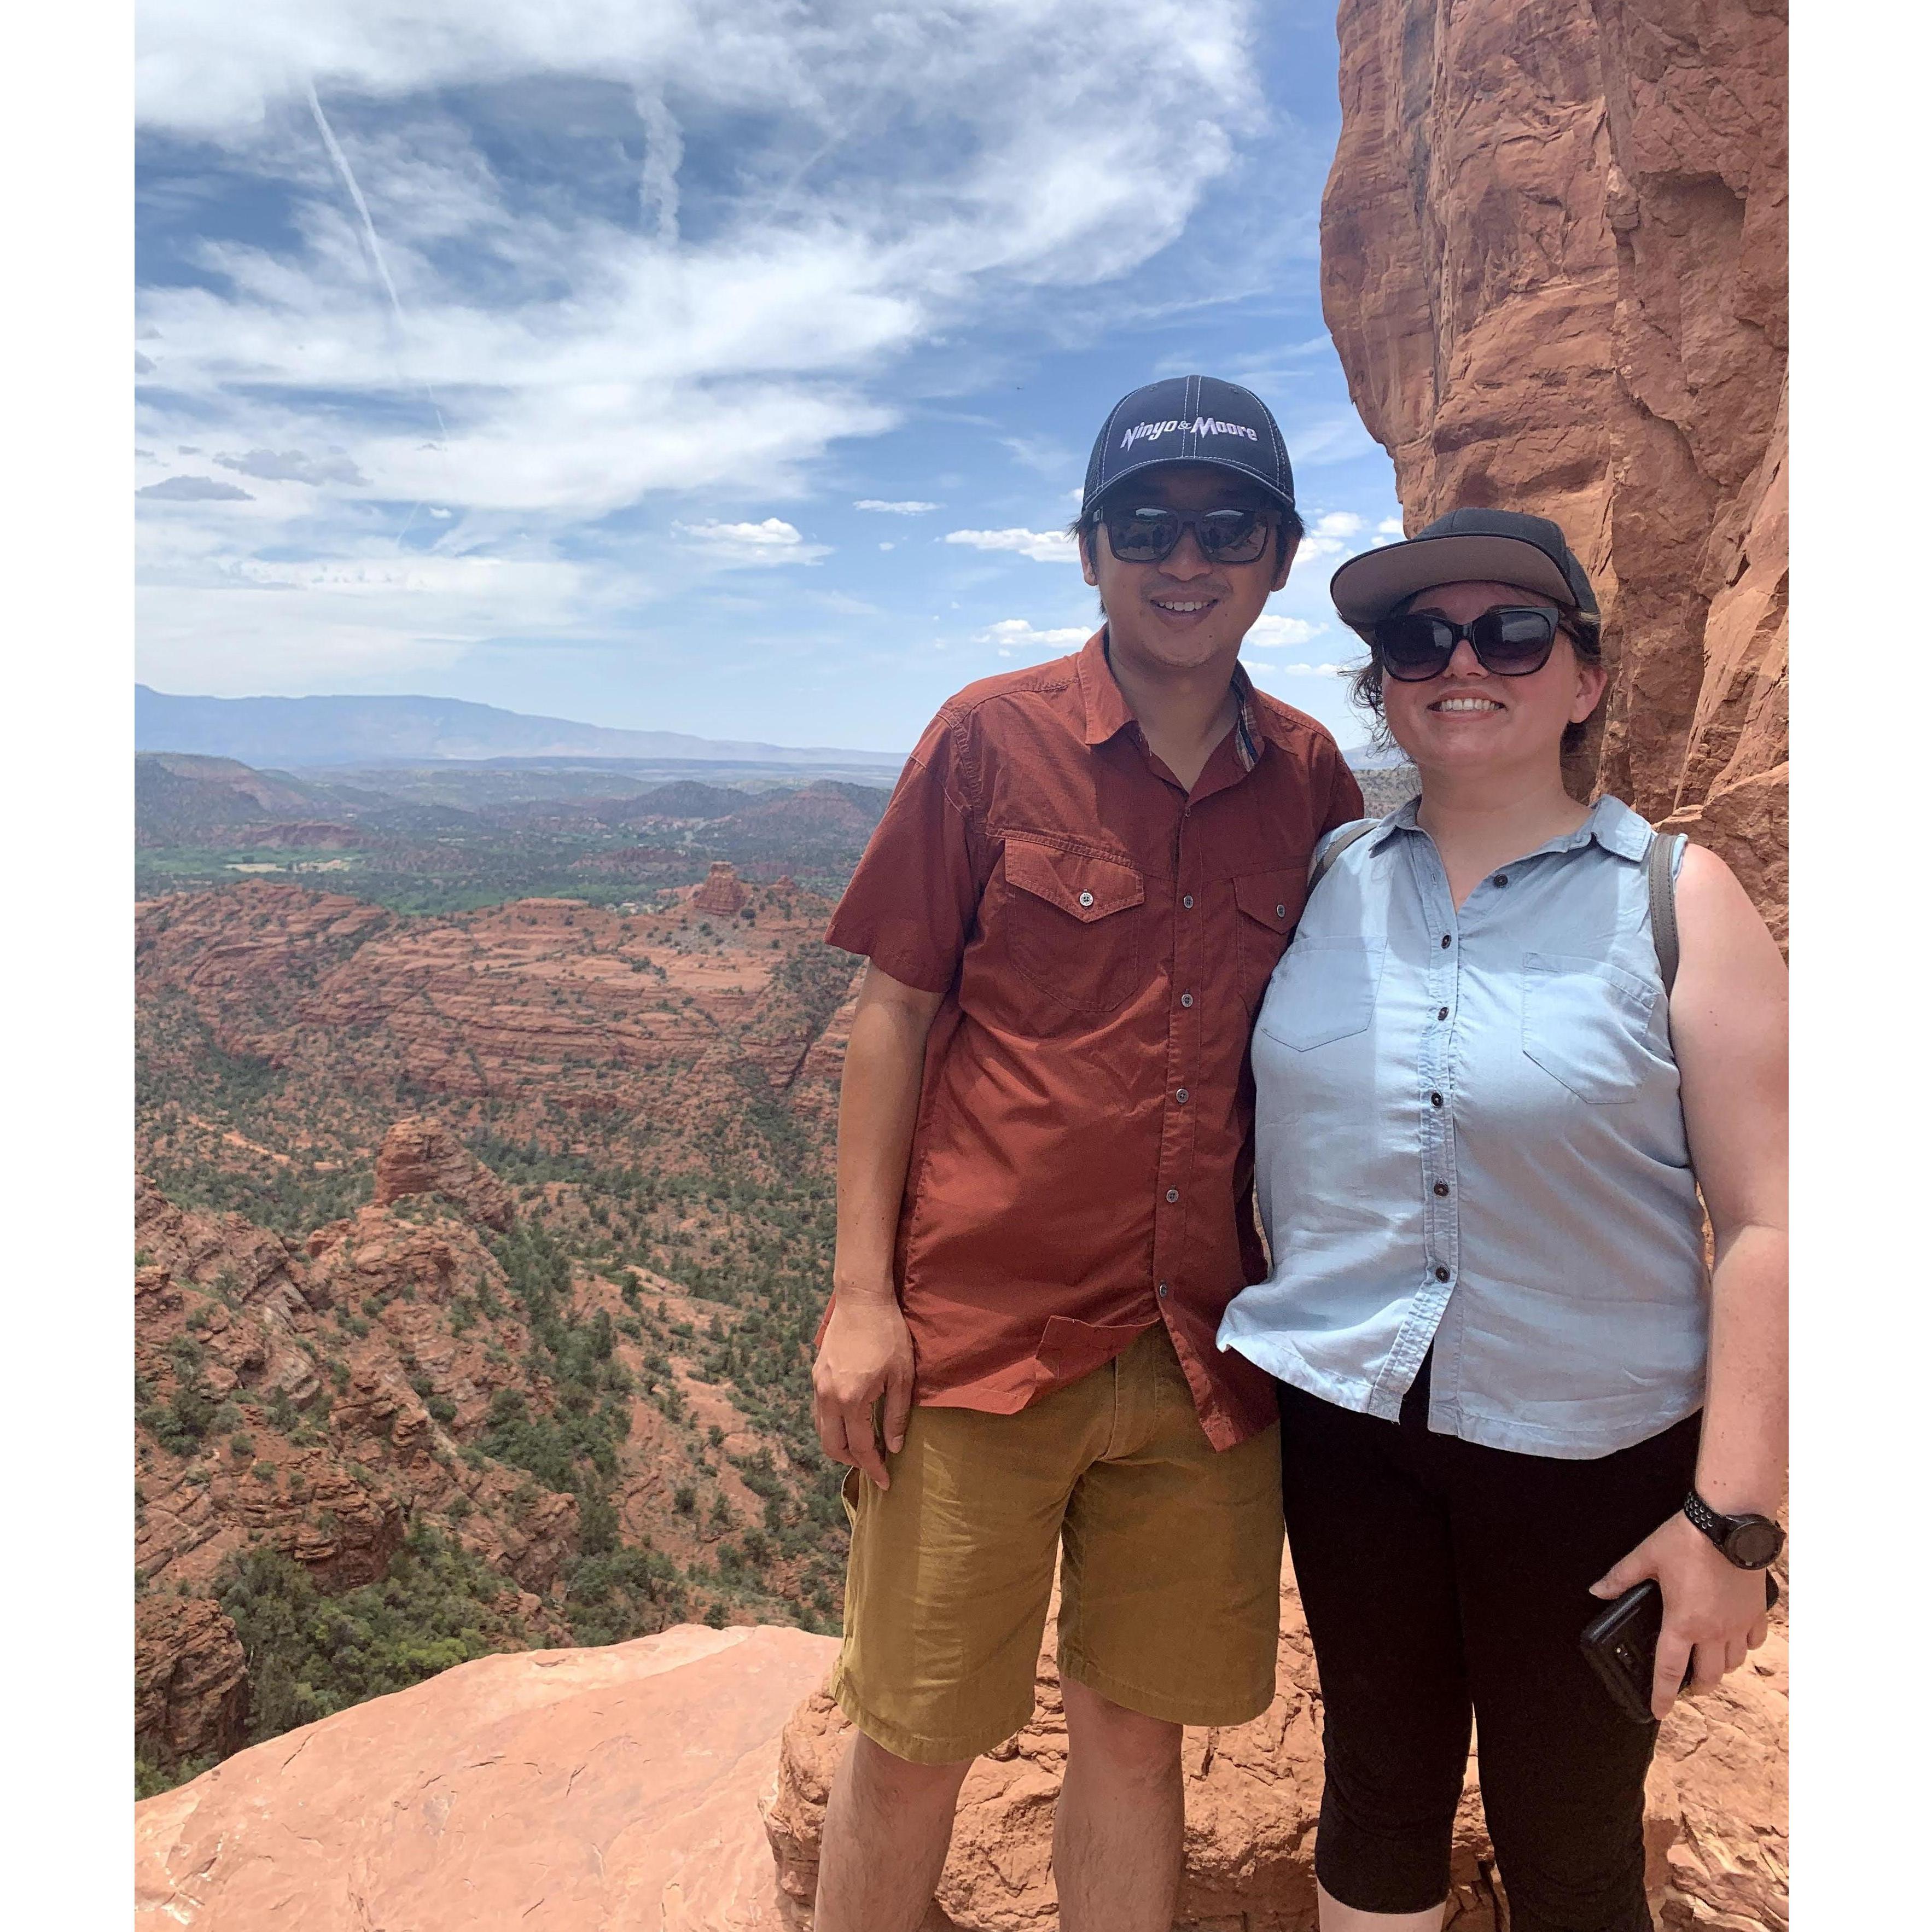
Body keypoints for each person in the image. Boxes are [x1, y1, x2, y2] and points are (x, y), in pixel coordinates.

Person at [807, 375, 1365, 1932]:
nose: (1182, 560)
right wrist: (861, 1297)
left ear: (1275, 555)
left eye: (1223, 527)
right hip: (982, 1339)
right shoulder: (990, 742)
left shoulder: (1311, 778)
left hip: (1202, 1355)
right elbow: (892, 1013)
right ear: (1088, 551)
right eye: (1145, 525)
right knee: (916, 1733)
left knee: (1137, 1738)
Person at [1217, 508, 1788, 1932]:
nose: (1458, 661)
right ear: (1386, 680)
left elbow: (1774, 1220)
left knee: (1574, 1842)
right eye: (1418, 637)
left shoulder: (1677, 900)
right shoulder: (1322, 884)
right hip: (1350, 1439)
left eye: (1509, 633)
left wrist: (1731, 1523)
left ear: (1582, 678)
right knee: (1377, 1801)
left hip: (1594, 1460)